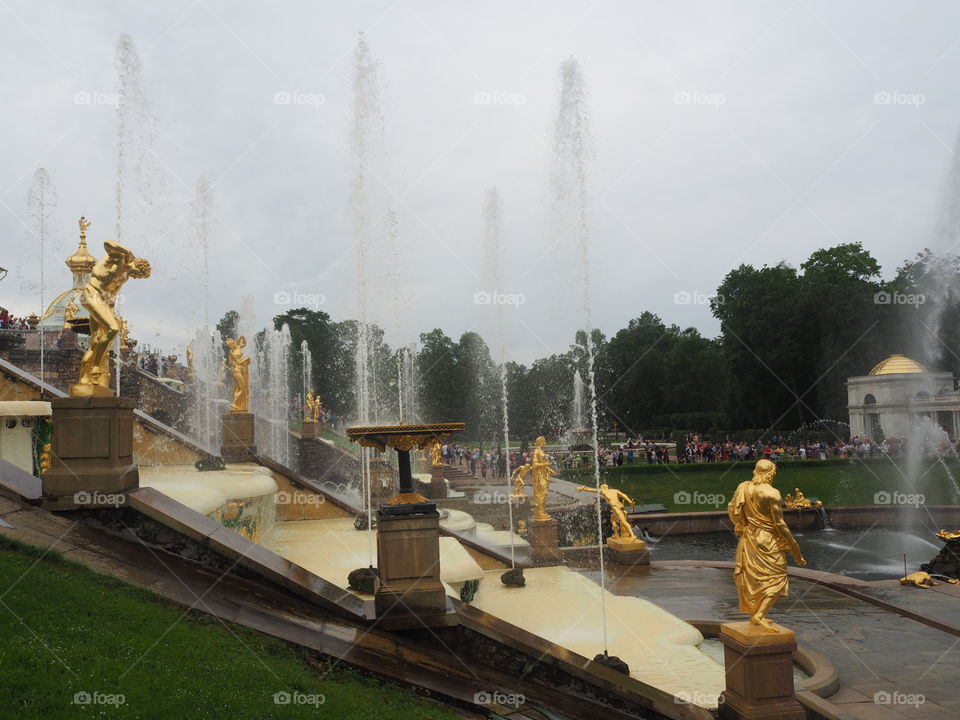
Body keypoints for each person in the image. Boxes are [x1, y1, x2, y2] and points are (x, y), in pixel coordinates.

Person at [728, 459, 806, 632]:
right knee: (778, 578)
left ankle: (756, 613)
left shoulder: (744, 487)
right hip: (767, 541)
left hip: (749, 538)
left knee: (754, 577)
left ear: (756, 471)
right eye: (773, 473)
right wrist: (794, 548)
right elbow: (780, 524)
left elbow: (732, 508)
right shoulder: (772, 493)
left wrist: (740, 524)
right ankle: (759, 615)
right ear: (770, 473)